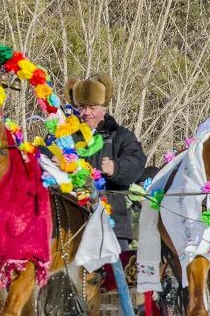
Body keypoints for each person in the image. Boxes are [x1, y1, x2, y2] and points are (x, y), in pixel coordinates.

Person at [63, 73, 147, 250]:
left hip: (113, 224)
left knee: (114, 276)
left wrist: (116, 168)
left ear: (104, 107)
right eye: (82, 107)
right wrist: (54, 159)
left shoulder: (120, 135)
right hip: (71, 226)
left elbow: (137, 162)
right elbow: (43, 156)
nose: (86, 113)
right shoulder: (66, 136)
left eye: (92, 107)